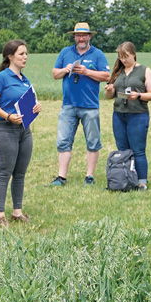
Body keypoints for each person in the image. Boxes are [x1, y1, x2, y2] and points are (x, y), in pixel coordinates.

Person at [0, 40, 42, 226]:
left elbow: (26, 103)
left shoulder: (24, 80)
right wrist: (8, 116)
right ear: (10, 56)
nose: (25, 57)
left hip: (23, 130)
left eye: (26, 54)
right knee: (5, 172)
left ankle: (17, 211)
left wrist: (34, 108)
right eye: (21, 54)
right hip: (5, 129)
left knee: (20, 173)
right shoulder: (1, 78)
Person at [50, 22, 111, 186]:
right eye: (78, 35)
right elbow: (55, 73)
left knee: (92, 141)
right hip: (68, 105)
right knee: (63, 141)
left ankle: (89, 176)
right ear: (74, 37)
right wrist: (65, 69)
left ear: (89, 36)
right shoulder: (65, 52)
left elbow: (106, 76)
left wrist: (87, 72)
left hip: (90, 106)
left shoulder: (97, 54)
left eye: (84, 35)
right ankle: (61, 177)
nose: (81, 38)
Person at [105, 42, 151, 190]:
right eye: (121, 57)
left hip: (137, 115)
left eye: (126, 57)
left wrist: (139, 95)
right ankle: (125, 179)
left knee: (138, 149)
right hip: (119, 115)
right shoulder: (118, 72)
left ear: (133, 54)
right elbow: (110, 96)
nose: (124, 60)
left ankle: (142, 182)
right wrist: (109, 89)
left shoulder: (144, 70)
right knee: (122, 150)